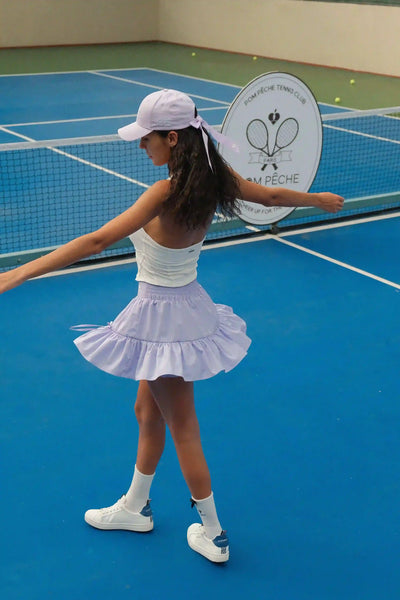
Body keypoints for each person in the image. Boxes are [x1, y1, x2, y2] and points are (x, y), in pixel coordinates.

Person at [0, 89, 344, 563]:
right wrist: (318, 199)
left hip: (162, 321)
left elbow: (98, 240)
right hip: (187, 310)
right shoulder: (215, 182)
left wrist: (17, 273)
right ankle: (136, 506)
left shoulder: (165, 192)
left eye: (147, 139)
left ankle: (214, 531)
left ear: (174, 137)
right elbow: (270, 195)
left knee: (183, 426)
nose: (142, 147)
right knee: (147, 411)